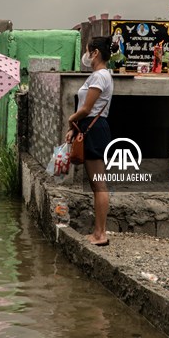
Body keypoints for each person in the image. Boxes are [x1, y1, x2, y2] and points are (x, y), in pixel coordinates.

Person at [65, 36, 114, 247]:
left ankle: (100, 234)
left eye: (88, 51)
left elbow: (86, 109)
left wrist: (71, 119)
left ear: (95, 53)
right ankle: (98, 232)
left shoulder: (100, 76)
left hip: (94, 129)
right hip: (90, 128)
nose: (86, 55)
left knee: (98, 184)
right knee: (96, 183)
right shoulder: (99, 75)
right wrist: (74, 128)